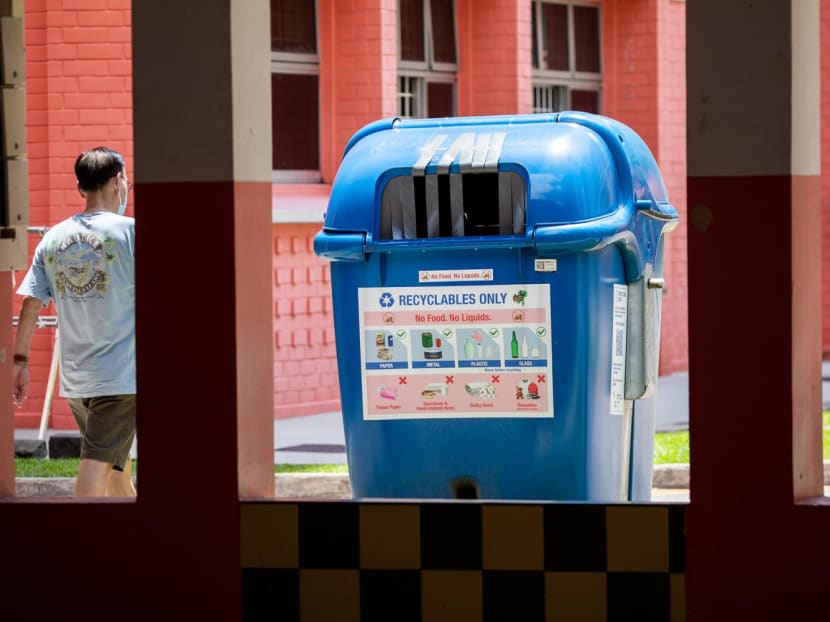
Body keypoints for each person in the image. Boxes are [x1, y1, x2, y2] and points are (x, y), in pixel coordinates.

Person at [13, 146, 136, 497]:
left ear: (81, 187)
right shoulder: (131, 233)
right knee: (95, 472)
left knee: (117, 474)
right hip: (119, 380)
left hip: (78, 380)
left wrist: (19, 363)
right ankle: (82, 546)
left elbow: (31, 305)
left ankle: (138, 547)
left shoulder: (52, 238)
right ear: (118, 181)